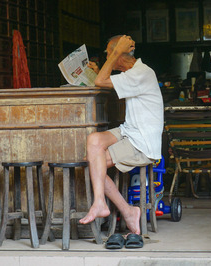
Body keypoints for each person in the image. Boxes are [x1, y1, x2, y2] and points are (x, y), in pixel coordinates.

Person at [78, 35, 164, 236]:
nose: (108, 57)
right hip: (129, 131)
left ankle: (118, 208)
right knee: (94, 143)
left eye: (110, 54)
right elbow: (104, 79)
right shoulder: (133, 73)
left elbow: (100, 82)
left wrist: (115, 53)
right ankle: (111, 206)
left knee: (93, 162)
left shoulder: (142, 73)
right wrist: (104, 67)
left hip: (141, 141)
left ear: (120, 55)